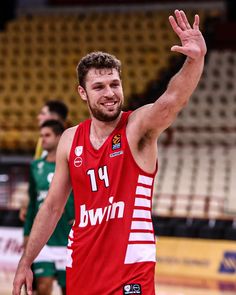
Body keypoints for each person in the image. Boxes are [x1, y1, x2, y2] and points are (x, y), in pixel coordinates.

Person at [13, 10, 207, 295]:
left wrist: (195, 60)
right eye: (99, 87)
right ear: (83, 93)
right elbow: (52, 206)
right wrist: (25, 262)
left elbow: (171, 101)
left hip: (130, 274)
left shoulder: (136, 127)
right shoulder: (70, 139)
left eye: (115, 84)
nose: (110, 93)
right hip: (81, 269)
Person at [23, 119, 74, 295]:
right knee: (43, 287)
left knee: (70, 290)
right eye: (41, 135)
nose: (42, 139)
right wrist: (27, 234)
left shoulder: (73, 163)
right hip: (44, 239)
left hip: (68, 239)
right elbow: (31, 204)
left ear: (60, 137)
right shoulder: (36, 166)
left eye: (47, 135)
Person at [19, 100, 69, 222]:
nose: (38, 116)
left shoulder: (69, 139)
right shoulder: (42, 142)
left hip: (63, 213)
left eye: (43, 113)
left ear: (54, 116)